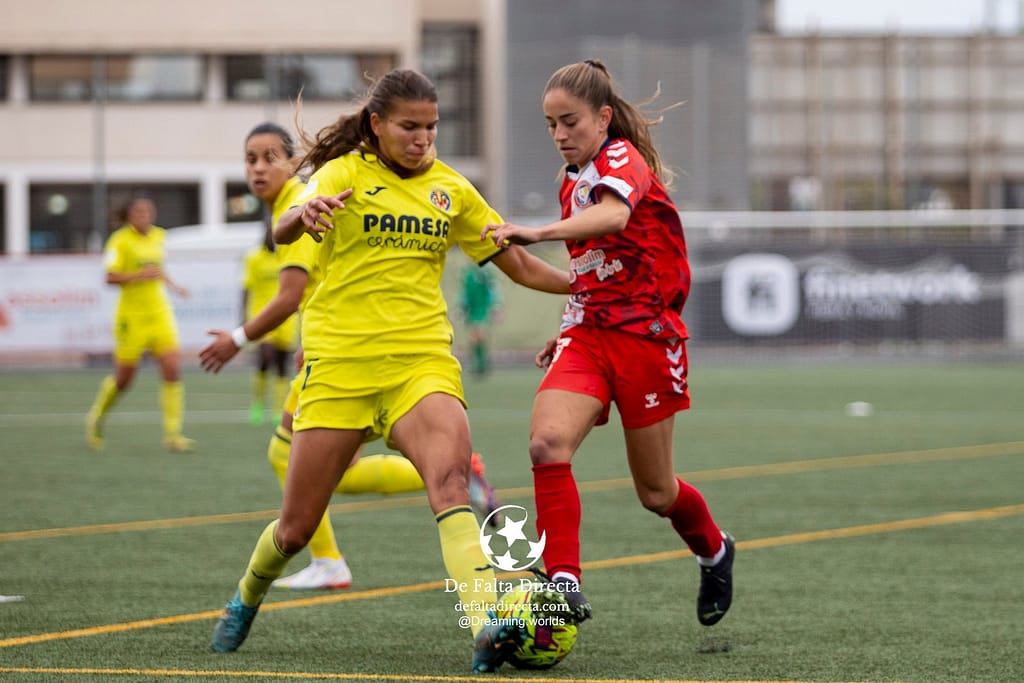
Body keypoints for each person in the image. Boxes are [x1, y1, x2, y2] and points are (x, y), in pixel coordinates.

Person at [207, 70, 570, 673]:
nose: (423, 138)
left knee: (450, 485)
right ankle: (245, 598)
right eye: (409, 126)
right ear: (377, 125)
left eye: (431, 126)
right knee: (295, 531)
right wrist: (305, 212)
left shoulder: (452, 189)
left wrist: (587, 287)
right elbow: (281, 229)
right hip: (340, 369)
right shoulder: (342, 174)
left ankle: (485, 626)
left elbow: (522, 265)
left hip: (420, 363)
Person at [482, 59, 736, 655]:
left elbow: (616, 215)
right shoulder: (569, 179)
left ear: (602, 117)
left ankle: (716, 550)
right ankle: (562, 584)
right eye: (549, 124)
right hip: (591, 334)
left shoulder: (623, 161)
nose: (559, 134)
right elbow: (588, 269)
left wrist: (537, 231)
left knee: (656, 492)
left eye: (569, 121)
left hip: (647, 339)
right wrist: (567, 324)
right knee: (546, 445)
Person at [200, 122, 500, 591]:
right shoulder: (308, 195)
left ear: (293, 160)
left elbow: (292, 293)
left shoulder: (304, 199)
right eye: (250, 158)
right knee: (332, 468)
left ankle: (328, 560)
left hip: (342, 354)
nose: (259, 168)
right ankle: (462, 479)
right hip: (331, 348)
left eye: (270, 157)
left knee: (290, 456)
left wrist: (236, 339)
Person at [85, 195, 194, 453]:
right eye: (139, 212)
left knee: (172, 367)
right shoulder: (119, 241)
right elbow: (109, 277)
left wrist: (175, 287)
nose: (145, 216)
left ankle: (173, 434)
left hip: (159, 312)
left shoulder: (159, 236)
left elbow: (157, 269)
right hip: (131, 318)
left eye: (148, 211)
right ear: (129, 215)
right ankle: (96, 418)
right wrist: (137, 275)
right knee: (124, 380)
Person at [240, 225, 297, 426]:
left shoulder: (288, 256)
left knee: (282, 363)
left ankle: (276, 409)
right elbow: (246, 288)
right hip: (262, 314)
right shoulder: (254, 258)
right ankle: (258, 402)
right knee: (266, 357)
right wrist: (243, 318)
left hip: (286, 318)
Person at [458, 260, 502, 377]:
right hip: (472, 310)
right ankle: (478, 363)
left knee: (479, 336)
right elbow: (465, 293)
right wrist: (461, 308)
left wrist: (495, 307)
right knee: (474, 338)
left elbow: (493, 290)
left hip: (483, 309)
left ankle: (482, 364)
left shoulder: (486, 272)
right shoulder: (468, 273)